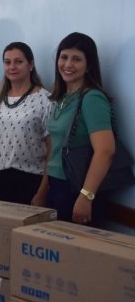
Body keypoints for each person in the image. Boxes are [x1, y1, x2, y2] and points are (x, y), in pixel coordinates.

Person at [46, 33, 116, 226]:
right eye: (64, 57)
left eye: (76, 59)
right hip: (57, 185)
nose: (68, 64)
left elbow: (106, 151)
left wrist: (86, 196)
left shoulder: (92, 98)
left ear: (89, 65)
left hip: (77, 188)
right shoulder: (62, 98)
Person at [0, 42, 52, 205]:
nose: (12, 67)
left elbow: (52, 150)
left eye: (18, 61)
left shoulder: (45, 100)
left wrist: (42, 191)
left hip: (31, 181)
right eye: (7, 62)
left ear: (30, 65)